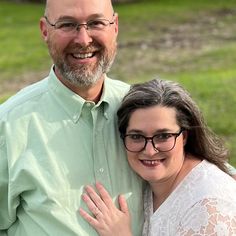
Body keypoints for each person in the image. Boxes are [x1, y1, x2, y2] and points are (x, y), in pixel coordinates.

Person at [0, 0, 144, 235]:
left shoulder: (146, 112)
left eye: (96, 22)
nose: (83, 39)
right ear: (45, 31)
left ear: (115, 26)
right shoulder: (7, 127)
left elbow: (202, 181)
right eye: (68, 25)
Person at [79, 79, 236, 236]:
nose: (149, 151)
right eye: (136, 136)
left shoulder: (209, 209)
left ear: (185, 137)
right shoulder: (153, 184)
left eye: (163, 136)